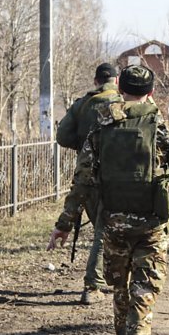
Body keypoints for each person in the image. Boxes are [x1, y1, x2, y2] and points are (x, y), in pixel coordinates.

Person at [48, 65, 169, 335]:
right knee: (143, 294)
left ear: (121, 89)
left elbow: (83, 180)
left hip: (114, 222)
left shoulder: (102, 126)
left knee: (120, 288)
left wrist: (64, 224)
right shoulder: (161, 125)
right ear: (151, 93)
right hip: (154, 225)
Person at [56, 62, 122, 305]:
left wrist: (85, 146)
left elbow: (62, 136)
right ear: (115, 81)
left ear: (96, 81)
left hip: (87, 178)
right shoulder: (123, 102)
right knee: (104, 233)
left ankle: (106, 280)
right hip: (116, 177)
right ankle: (93, 285)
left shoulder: (83, 104)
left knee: (102, 230)